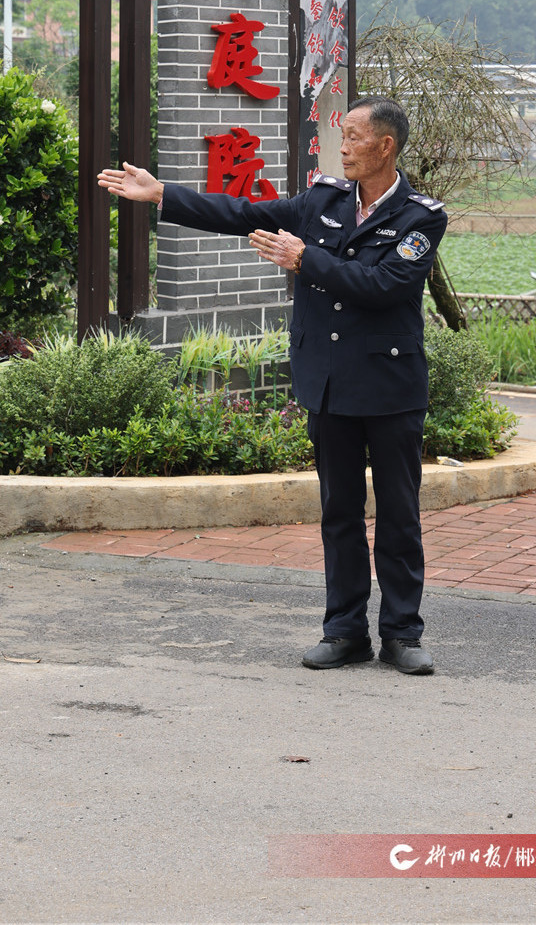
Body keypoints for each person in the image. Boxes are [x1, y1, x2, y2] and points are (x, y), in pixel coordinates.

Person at [98, 96, 447, 675]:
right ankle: (344, 632)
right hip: (330, 384)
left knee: (399, 516)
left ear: (386, 146)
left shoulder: (421, 216)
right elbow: (244, 213)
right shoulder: (323, 200)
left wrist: (307, 260)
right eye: (343, 135)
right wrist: (163, 195)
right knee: (339, 513)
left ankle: (402, 634)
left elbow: (385, 285)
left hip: (390, 387)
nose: (343, 146)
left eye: (354, 136)